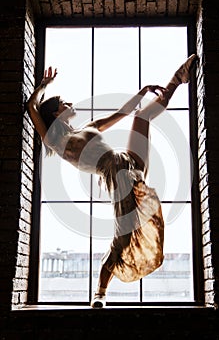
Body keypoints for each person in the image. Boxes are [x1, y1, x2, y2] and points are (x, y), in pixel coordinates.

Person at [27, 53, 197, 308]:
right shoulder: (54, 140)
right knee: (123, 236)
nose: (69, 104)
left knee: (142, 117)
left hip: (129, 160)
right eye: (63, 104)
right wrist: (43, 87)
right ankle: (100, 293)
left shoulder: (89, 127)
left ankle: (178, 77)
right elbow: (31, 108)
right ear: (54, 114)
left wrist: (143, 91)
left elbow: (123, 112)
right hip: (116, 177)